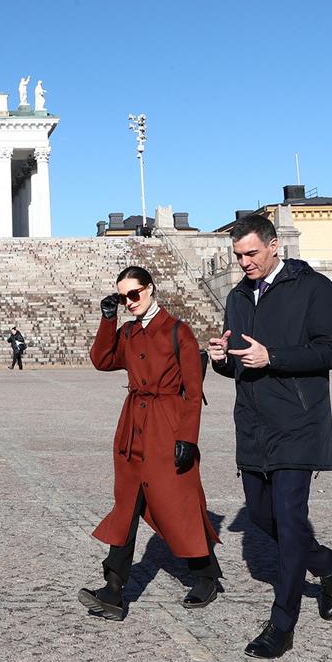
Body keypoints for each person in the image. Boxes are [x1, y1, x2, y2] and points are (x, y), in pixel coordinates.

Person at [207, 215, 332, 660]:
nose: (244, 262)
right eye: (238, 256)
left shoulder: (314, 287)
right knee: (266, 520)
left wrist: (275, 357)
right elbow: (237, 362)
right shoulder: (236, 296)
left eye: (251, 253)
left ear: (273, 247)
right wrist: (219, 359)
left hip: (298, 423)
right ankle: (329, 565)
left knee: (289, 522)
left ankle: (282, 623)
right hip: (252, 425)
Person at [80, 265, 221, 621]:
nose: (128, 302)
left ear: (151, 289)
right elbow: (101, 360)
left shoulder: (179, 331)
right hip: (132, 428)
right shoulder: (127, 331)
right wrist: (107, 320)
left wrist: (187, 437)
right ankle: (113, 592)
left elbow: (193, 391)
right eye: (122, 297)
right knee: (126, 506)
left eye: (133, 294)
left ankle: (206, 576)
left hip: (168, 426)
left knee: (177, 504)